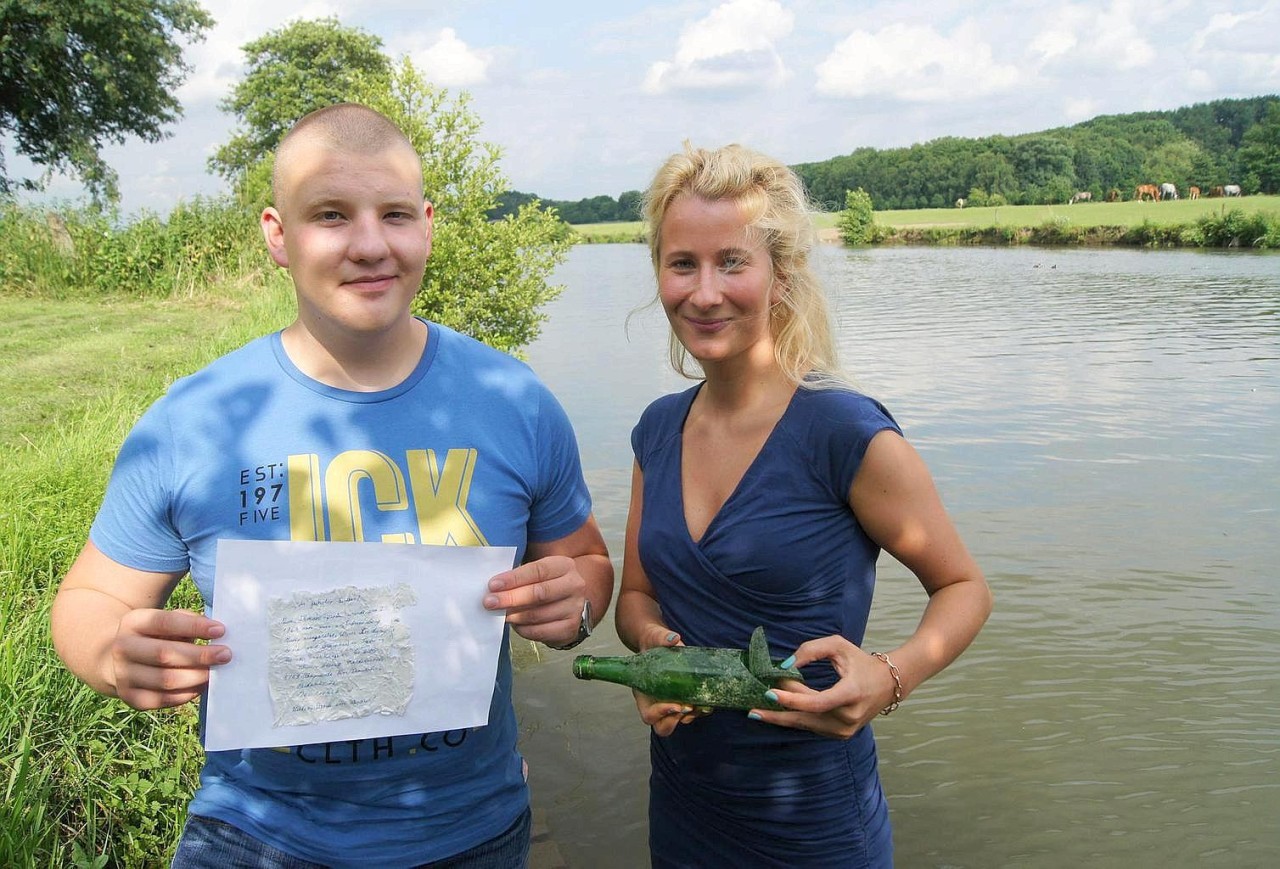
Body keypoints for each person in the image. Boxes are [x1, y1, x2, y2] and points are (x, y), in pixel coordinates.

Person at [49, 102, 613, 868]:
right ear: (277, 235)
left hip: (472, 830)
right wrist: (113, 652)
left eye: (395, 214)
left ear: (429, 225)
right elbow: (90, 599)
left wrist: (573, 602)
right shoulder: (195, 420)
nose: (370, 244)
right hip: (254, 833)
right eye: (330, 215)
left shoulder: (515, 400)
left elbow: (587, 562)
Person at [614, 143, 993, 868]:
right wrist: (656, 657)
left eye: (732, 261)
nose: (703, 291)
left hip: (814, 828)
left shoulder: (843, 432)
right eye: (682, 263)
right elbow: (635, 596)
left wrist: (889, 675)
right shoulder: (656, 429)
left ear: (780, 276)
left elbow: (965, 588)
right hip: (685, 809)